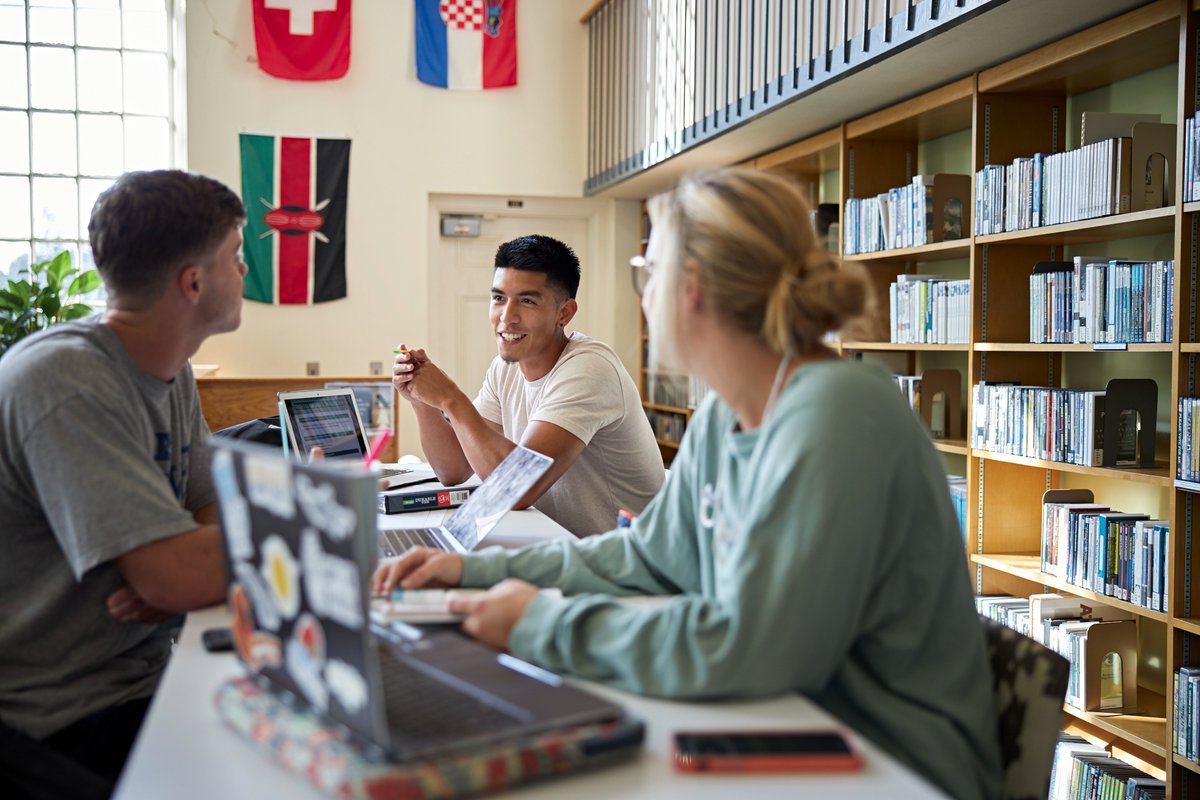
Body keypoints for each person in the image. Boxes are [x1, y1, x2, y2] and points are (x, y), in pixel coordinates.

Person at [376, 169, 1003, 799]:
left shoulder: (841, 414)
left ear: (692, 289)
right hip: (790, 719)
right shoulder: (724, 416)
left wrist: (541, 623)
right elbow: (647, 557)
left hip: (892, 763)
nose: (643, 296)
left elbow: (751, 647)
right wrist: (470, 573)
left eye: (647, 275)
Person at [0, 170, 246, 791]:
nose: (245, 273)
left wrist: (181, 562)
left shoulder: (170, 368)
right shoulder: (63, 381)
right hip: (56, 715)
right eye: (236, 258)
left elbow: (211, 511)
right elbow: (182, 573)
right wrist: (175, 568)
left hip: (145, 675)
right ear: (193, 282)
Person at [392, 234, 664, 537]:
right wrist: (422, 398)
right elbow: (453, 470)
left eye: (527, 301)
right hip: (560, 548)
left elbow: (517, 489)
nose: (506, 318)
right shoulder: (504, 369)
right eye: (498, 298)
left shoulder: (589, 369)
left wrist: (450, 398)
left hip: (624, 565)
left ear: (565, 313)